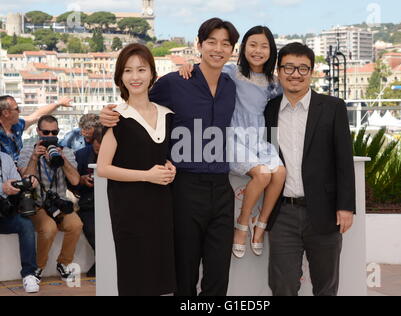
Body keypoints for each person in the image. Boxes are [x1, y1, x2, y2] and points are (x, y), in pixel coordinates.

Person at [100, 18, 240, 296]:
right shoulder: (174, 83)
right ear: (199, 45)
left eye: (225, 44)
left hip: (222, 188)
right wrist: (104, 116)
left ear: (232, 50)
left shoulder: (231, 84)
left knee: (219, 274)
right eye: (211, 42)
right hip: (184, 187)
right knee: (184, 272)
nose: (218, 48)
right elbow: (136, 103)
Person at [179, 26, 286, 258]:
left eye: (264, 46)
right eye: (253, 45)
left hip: (257, 138)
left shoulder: (272, 82)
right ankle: (242, 224)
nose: (258, 50)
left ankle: (261, 223)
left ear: (271, 50)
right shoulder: (230, 71)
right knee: (263, 174)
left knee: (280, 172)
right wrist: (188, 65)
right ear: (243, 47)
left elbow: (296, 91)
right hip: (231, 136)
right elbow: (205, 68)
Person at [264, 43, 356, 296]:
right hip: (282, 213)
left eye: (303, 68)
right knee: (282, 285)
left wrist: (346, 206)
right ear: (279, 71)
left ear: (312, 72)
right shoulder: (268, 110)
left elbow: (344, 160)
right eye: (289, 67)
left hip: (325, 212)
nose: (296, 74)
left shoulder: (333, 107)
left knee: (325, 286)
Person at [97, 43, 177, 296]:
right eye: (128, 71)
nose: (135, 77)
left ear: (152, 74)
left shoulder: (168, 115)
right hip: (129, 211)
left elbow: (165, 156)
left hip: (161, 208)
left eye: (141, 70)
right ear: (120, 77)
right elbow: (103, 168)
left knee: (160, 278)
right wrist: (147, 176)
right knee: (135, 280)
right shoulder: (116, 117)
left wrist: (170, 168)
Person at [17, 115, 83, 283]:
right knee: (48, 228)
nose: (49, 136)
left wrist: (62, 160)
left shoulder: (65, 151)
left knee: (76, 225)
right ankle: (38, 268)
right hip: (37, 203)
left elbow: (75, 180)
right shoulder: (27, 150)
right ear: (38, 131)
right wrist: (34, 158)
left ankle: (63, 263)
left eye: (54, 132)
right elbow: (25, 179)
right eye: (45, 132)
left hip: (59, 202)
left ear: (58, 132)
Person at [0, 152, 40, 293]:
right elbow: (4, 186)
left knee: (26, 224)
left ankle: (29, 274)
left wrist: (27, 182)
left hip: (5, 213)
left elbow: (16, 184)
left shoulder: (5, 158)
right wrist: (2, 187)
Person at [71, 126, 104, 278]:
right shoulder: (81, 155)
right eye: (96, 149)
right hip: (88, 203)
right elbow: (72, 183)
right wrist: (82, 180)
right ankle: (105, 262)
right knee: (91, 229)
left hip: (113, 202)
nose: (98, 152)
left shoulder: (121, 155)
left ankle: (104, 263)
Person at [0, 95, 73, 162]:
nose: (20, 111)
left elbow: (36, 115)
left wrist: (58, 103)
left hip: (19, 170)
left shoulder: (17, 126)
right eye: (16, 109)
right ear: (6, 113)